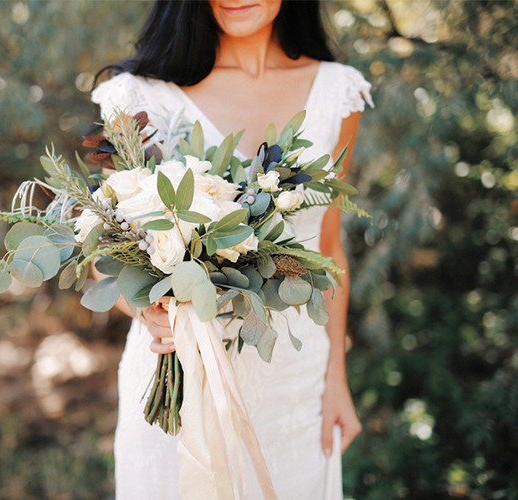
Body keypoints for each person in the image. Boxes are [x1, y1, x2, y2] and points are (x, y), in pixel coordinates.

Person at [90, 1, 373, 498]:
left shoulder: (336, 93)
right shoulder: (138, 98)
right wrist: (142, 307)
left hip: (295, 388)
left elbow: (328, 250)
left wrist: (336, 379)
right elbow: (104, 251)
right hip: (175, 386)